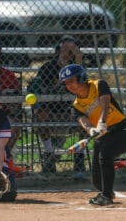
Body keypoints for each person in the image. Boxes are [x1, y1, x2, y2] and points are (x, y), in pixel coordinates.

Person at [59, 64, 126, 205]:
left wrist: (102, 122)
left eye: (72, 81)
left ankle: (106, 197)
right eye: (66, 83)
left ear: (81, 78)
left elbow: (105, 104)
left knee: (105, 155)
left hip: (123, 132)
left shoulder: (99, 85)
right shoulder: (76, 105)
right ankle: (107, 192)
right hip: (102, 137)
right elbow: (83, 120)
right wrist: (91, 130)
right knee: (96, 179)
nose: (69, 85)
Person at [32, 36, 85, 174]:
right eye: (65, 49)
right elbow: (42, 91)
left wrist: (78, 63)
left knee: (86, 113)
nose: (68, 53)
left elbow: (83, 88)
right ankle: (49, 154)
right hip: (51, 111)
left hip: (72, 111)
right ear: (58, 50)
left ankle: (79, 155)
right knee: (40, 114)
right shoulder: (47, 68)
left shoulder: (79, 69)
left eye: (72, 50)